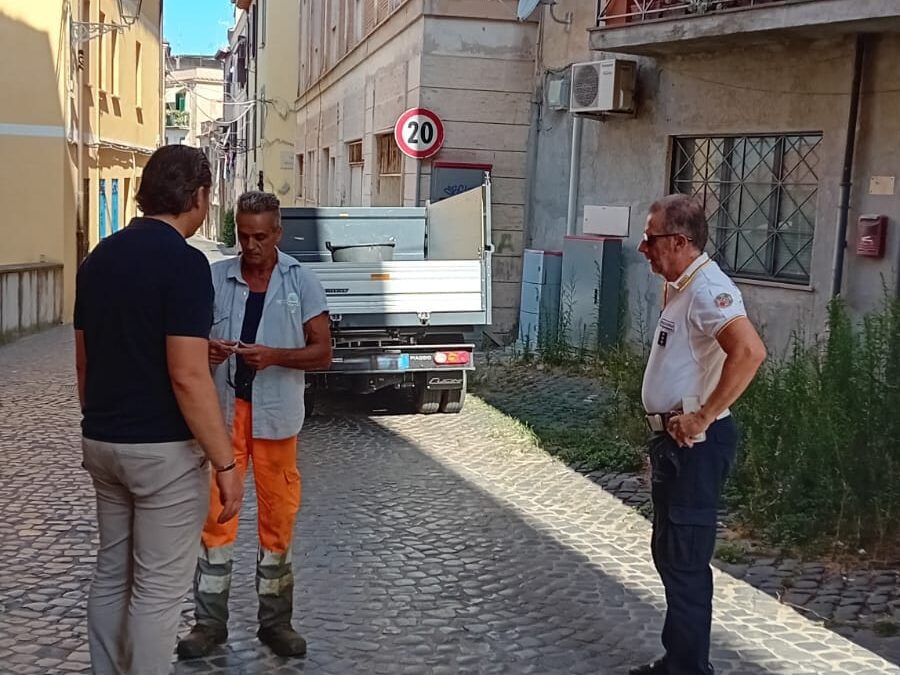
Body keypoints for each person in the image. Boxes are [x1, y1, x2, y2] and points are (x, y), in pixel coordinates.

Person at [74, 145, 244, 675]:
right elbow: (188, 375)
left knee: (111, 574)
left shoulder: (99, 257)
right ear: (197, 195)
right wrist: (226, 462)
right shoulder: (185, 264)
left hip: (103, 441)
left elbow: (85, 357)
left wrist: (105, 418)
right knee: (156, 592)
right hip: (162, 451)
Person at [177, 191, 332, 660]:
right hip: (223, 419)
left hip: (276, 422)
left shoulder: (301, 282)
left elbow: (323, 353)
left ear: (278, 233)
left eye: (261, 236)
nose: (251, 246)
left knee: (277, 522)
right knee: (214, 522)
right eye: (243, 236)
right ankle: (208, 624)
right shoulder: (214, 278)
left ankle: (276, 623)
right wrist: (207, 350)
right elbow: (189, 341)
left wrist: (275, 357)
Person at [630, 194, 766, 675]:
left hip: (696, 444)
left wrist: (703, 416)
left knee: (685, 560)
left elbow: (749, 352)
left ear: (680, 241)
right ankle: (680, 660)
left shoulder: (708, 289)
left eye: (650, 240)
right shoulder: (682, 285)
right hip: (675, 443)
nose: (643, 248)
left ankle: (688, 670)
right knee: (671, 554)